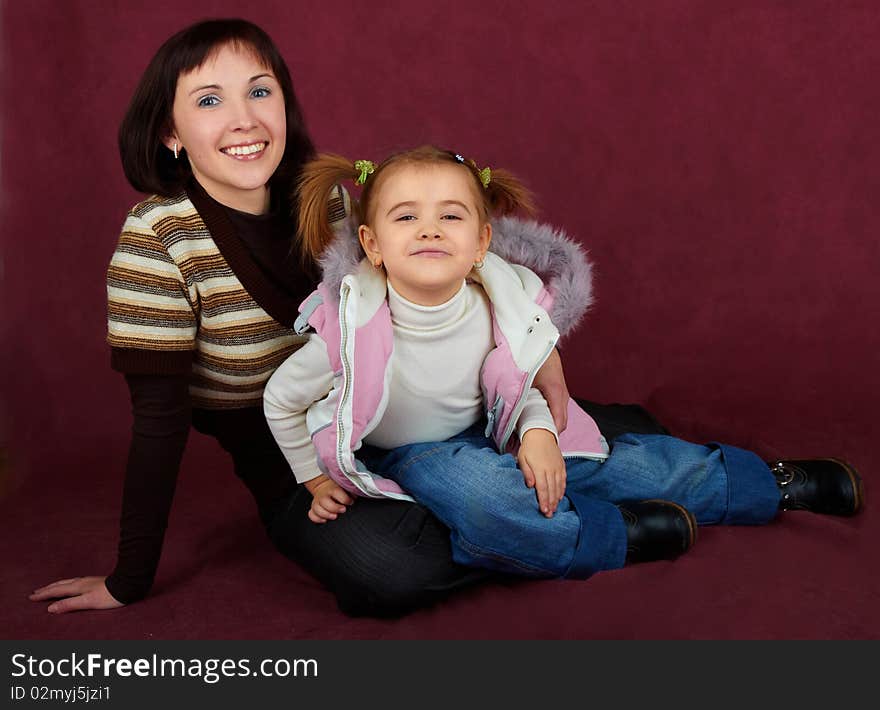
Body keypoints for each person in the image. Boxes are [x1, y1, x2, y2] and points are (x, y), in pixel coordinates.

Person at [28, 19, 578, 618]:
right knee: (392, 574)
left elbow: (465, 264)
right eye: (209, 101)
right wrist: (128, 579)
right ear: (170, 133)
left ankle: (526, 503)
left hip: (416, 413)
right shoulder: (160, 239)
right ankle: (507, 522)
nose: (244, 119)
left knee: (552, 458)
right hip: (297, 463)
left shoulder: (333, 205)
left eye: (260, 92)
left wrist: (543, 353)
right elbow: (159, 423)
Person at [264, 145, 864, 580]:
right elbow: (281, 399)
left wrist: (538, 432)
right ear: (371, 245)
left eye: (451, 215)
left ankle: (765, 485)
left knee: (617, 466)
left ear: (480, 243)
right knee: (481, 497)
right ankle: (610, 535)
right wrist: (311, 477)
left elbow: (515, 379)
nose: (429, 230)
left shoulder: (495, 303)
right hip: (410, 451)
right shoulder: (349, 328)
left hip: (493, 426)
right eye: (405, 217)